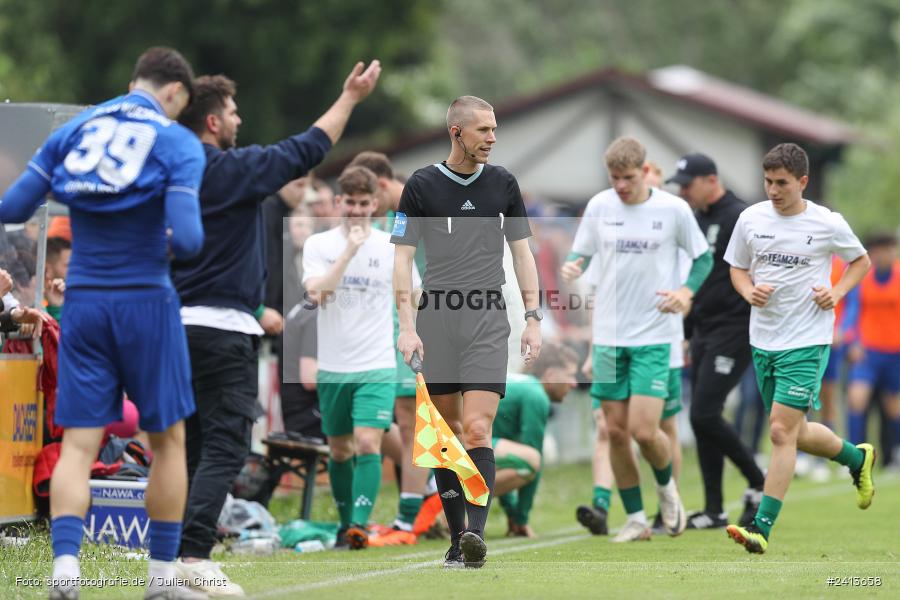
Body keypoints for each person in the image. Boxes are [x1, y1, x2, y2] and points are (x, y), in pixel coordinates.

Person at [0, 47, 205, 600]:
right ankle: (161, 582)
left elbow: (14, 206)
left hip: (85, 304)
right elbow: (188, 241)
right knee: (168, 442)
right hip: (145, 303)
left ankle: (65, 572)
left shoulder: (76, 129)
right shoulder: (176, 140)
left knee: (78, 446)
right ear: (174, 94)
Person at [172, 60, 380, 594]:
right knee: (226, 445)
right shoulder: (229, 169)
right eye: (234, 111)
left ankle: (167, 564)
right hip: (222, 329)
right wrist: (350, 98)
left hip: (172, 325)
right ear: (214, 123)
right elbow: (309, 146)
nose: (239, 118)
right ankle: (194, 558)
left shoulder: (168, 170)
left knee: (189, 445)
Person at [392, 95, 542, 568]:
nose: (493, 138)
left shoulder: (503, 184)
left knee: (477, 427)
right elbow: (401, 258)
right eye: (484, 130)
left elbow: (521, 253)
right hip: (436, 315)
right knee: (443, 433)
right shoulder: (420, 185)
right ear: (456, 132)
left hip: (486, 317)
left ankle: (475, 535)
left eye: (495, 130)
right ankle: (457, 538)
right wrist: (407, 327)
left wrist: (533, 316)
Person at [723, 142, 875, 554]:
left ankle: (761, 527)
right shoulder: (751, 219)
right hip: (764, 338)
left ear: (803, 182)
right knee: (796, 432)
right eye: (768, 181)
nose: (773, 190)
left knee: (778, 430)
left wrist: (837, 291)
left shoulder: (827, 222)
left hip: (807, 340)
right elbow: (736, 267)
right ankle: (856, 459)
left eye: (782, 183)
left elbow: (861, 261)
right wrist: (748, 290)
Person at [561, 137, 711, 542]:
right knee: (614, 431)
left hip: (653, 335)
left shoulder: (673, 209)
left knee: (646, 431)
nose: (621, 186)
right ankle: (636, 519)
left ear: (645, 172)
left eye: (628, 178)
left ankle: (668, 492)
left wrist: (685, 292)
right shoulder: (599, 206)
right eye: (614, 179)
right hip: (610, 338)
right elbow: (584, 254)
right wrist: (575, 265)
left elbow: (703, 258)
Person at [303, 165, 420, 549]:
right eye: (349, 202)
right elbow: (318, 294)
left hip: (377, 363)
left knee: (368, 443)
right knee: (340, 450)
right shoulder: (318, 245)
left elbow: (411, 294)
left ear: (375, 204)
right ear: (339, 202)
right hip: (334, 366)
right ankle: (343, 523)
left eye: (363, 203)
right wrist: (350, 249)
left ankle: (358, 525)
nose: (356, 210)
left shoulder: (392, 245)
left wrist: (409, 330)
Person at [666, 152, 767, 529]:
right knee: (705, 418)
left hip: (736, 326)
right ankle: (714, 509)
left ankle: (759, 480)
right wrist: (688, 332)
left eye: (688, 185)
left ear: (711, 179)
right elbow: (694, 279)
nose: (685, 192)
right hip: (704, 328)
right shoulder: (696, 219)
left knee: (703, 413)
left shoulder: (739, 216)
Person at [349, 151, 431, 547]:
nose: (363, 205)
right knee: (388, 421)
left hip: (420, 328)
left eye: (368, 196)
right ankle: (427, 489)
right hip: (381, 334)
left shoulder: (423, 210)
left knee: (415, 420)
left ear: (381, 185)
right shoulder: (385, 222)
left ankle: (411, 513)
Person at [495, 343, 579, 538]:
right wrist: (521, 518)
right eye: (569, 375)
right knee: (531, 459)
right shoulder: (535, 394)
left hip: (446, 454)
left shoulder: (522, 386)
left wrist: (511, 511)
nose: (574, 383)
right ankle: (444, 507)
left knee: (520, 459)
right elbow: (534, 462)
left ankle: (445, 504)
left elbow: (498, 464)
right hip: (457, 454)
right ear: (550, 375)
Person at [843, 233, 900, 463]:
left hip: (895, 352)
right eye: (878, 251)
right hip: (868, 352)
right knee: (856, 399)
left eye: (888, 250)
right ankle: (856, 457)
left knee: (893, 407)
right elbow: (853, 311)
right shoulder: (862, 278)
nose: (883, 255)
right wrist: (852, 340)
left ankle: (895, 452)